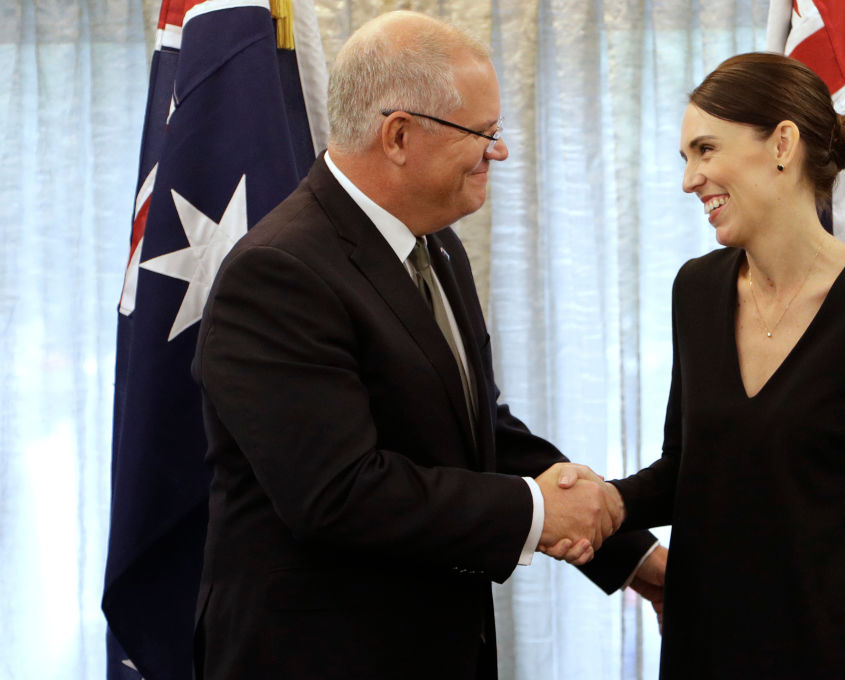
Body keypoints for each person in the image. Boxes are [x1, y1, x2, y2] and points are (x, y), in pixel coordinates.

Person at [190, 10, 660, 680]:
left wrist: (633, 556)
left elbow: (478, 433)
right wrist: (538, 509)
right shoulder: (280, 272)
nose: (496, 153)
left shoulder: (436, 248)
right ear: (401, 135)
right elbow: (340, 493)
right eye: (485, 134)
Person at [607, 52, 845, 678]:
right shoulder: (695, 289)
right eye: (686, 157)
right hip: (703, 651)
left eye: (705, 150)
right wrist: (591, 505)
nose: (690, 179)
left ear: (783, 144)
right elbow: (685, 469)